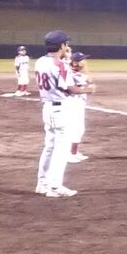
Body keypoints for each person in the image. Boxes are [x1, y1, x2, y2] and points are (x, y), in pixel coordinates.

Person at [35, 30, 94, 197]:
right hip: (60, 109)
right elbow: (70, 89)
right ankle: (54, 186)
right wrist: (87, 90)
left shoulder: (40, 61)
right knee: (61, 150)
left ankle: (42, 183)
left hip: (47, 107)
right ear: (62, 45)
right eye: (66, 43)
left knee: (49, 147)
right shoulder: (59, 65)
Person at [65, 51, 91, 163]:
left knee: (79, 129)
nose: (84, 62)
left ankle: (74, 152)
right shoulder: (72, 74)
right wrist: (89, 87)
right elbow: (79, 85)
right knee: (74, 129)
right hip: (73, 104)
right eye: (82, 60)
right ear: (75, 63)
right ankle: (68, 154)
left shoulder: (77, 73)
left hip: (78, 103)